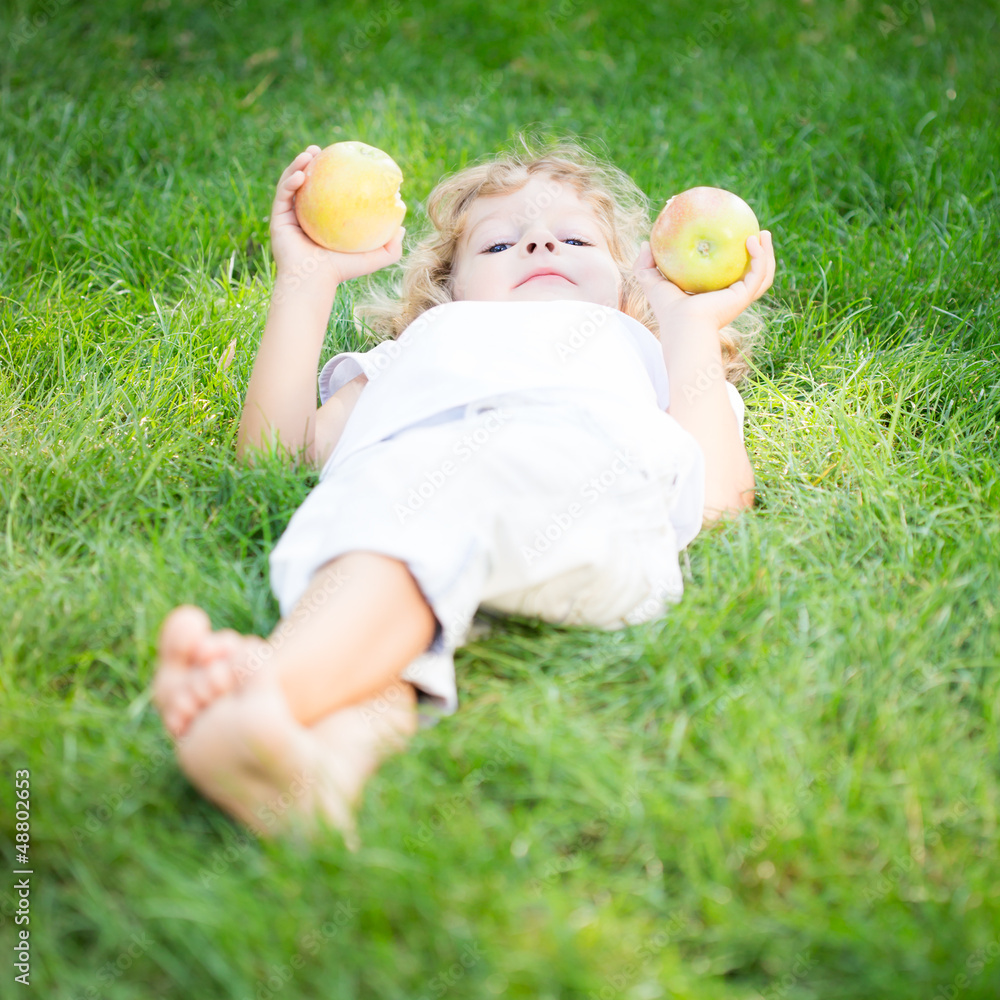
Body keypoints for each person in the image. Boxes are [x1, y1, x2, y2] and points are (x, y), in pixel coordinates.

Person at [152, 134, 775, 844]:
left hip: (570, 487)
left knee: (424, 513)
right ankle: (320, 771)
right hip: (403, 496)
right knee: (392, 578)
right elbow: (275, 454)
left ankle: (265, 690)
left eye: (573, 238)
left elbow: (716, 496)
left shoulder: (645, 352)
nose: (539, 246)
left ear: (630, 279)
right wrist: (308, 276)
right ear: (447, 290)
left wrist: (689, 322)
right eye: (500, 246)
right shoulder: (418, 349)